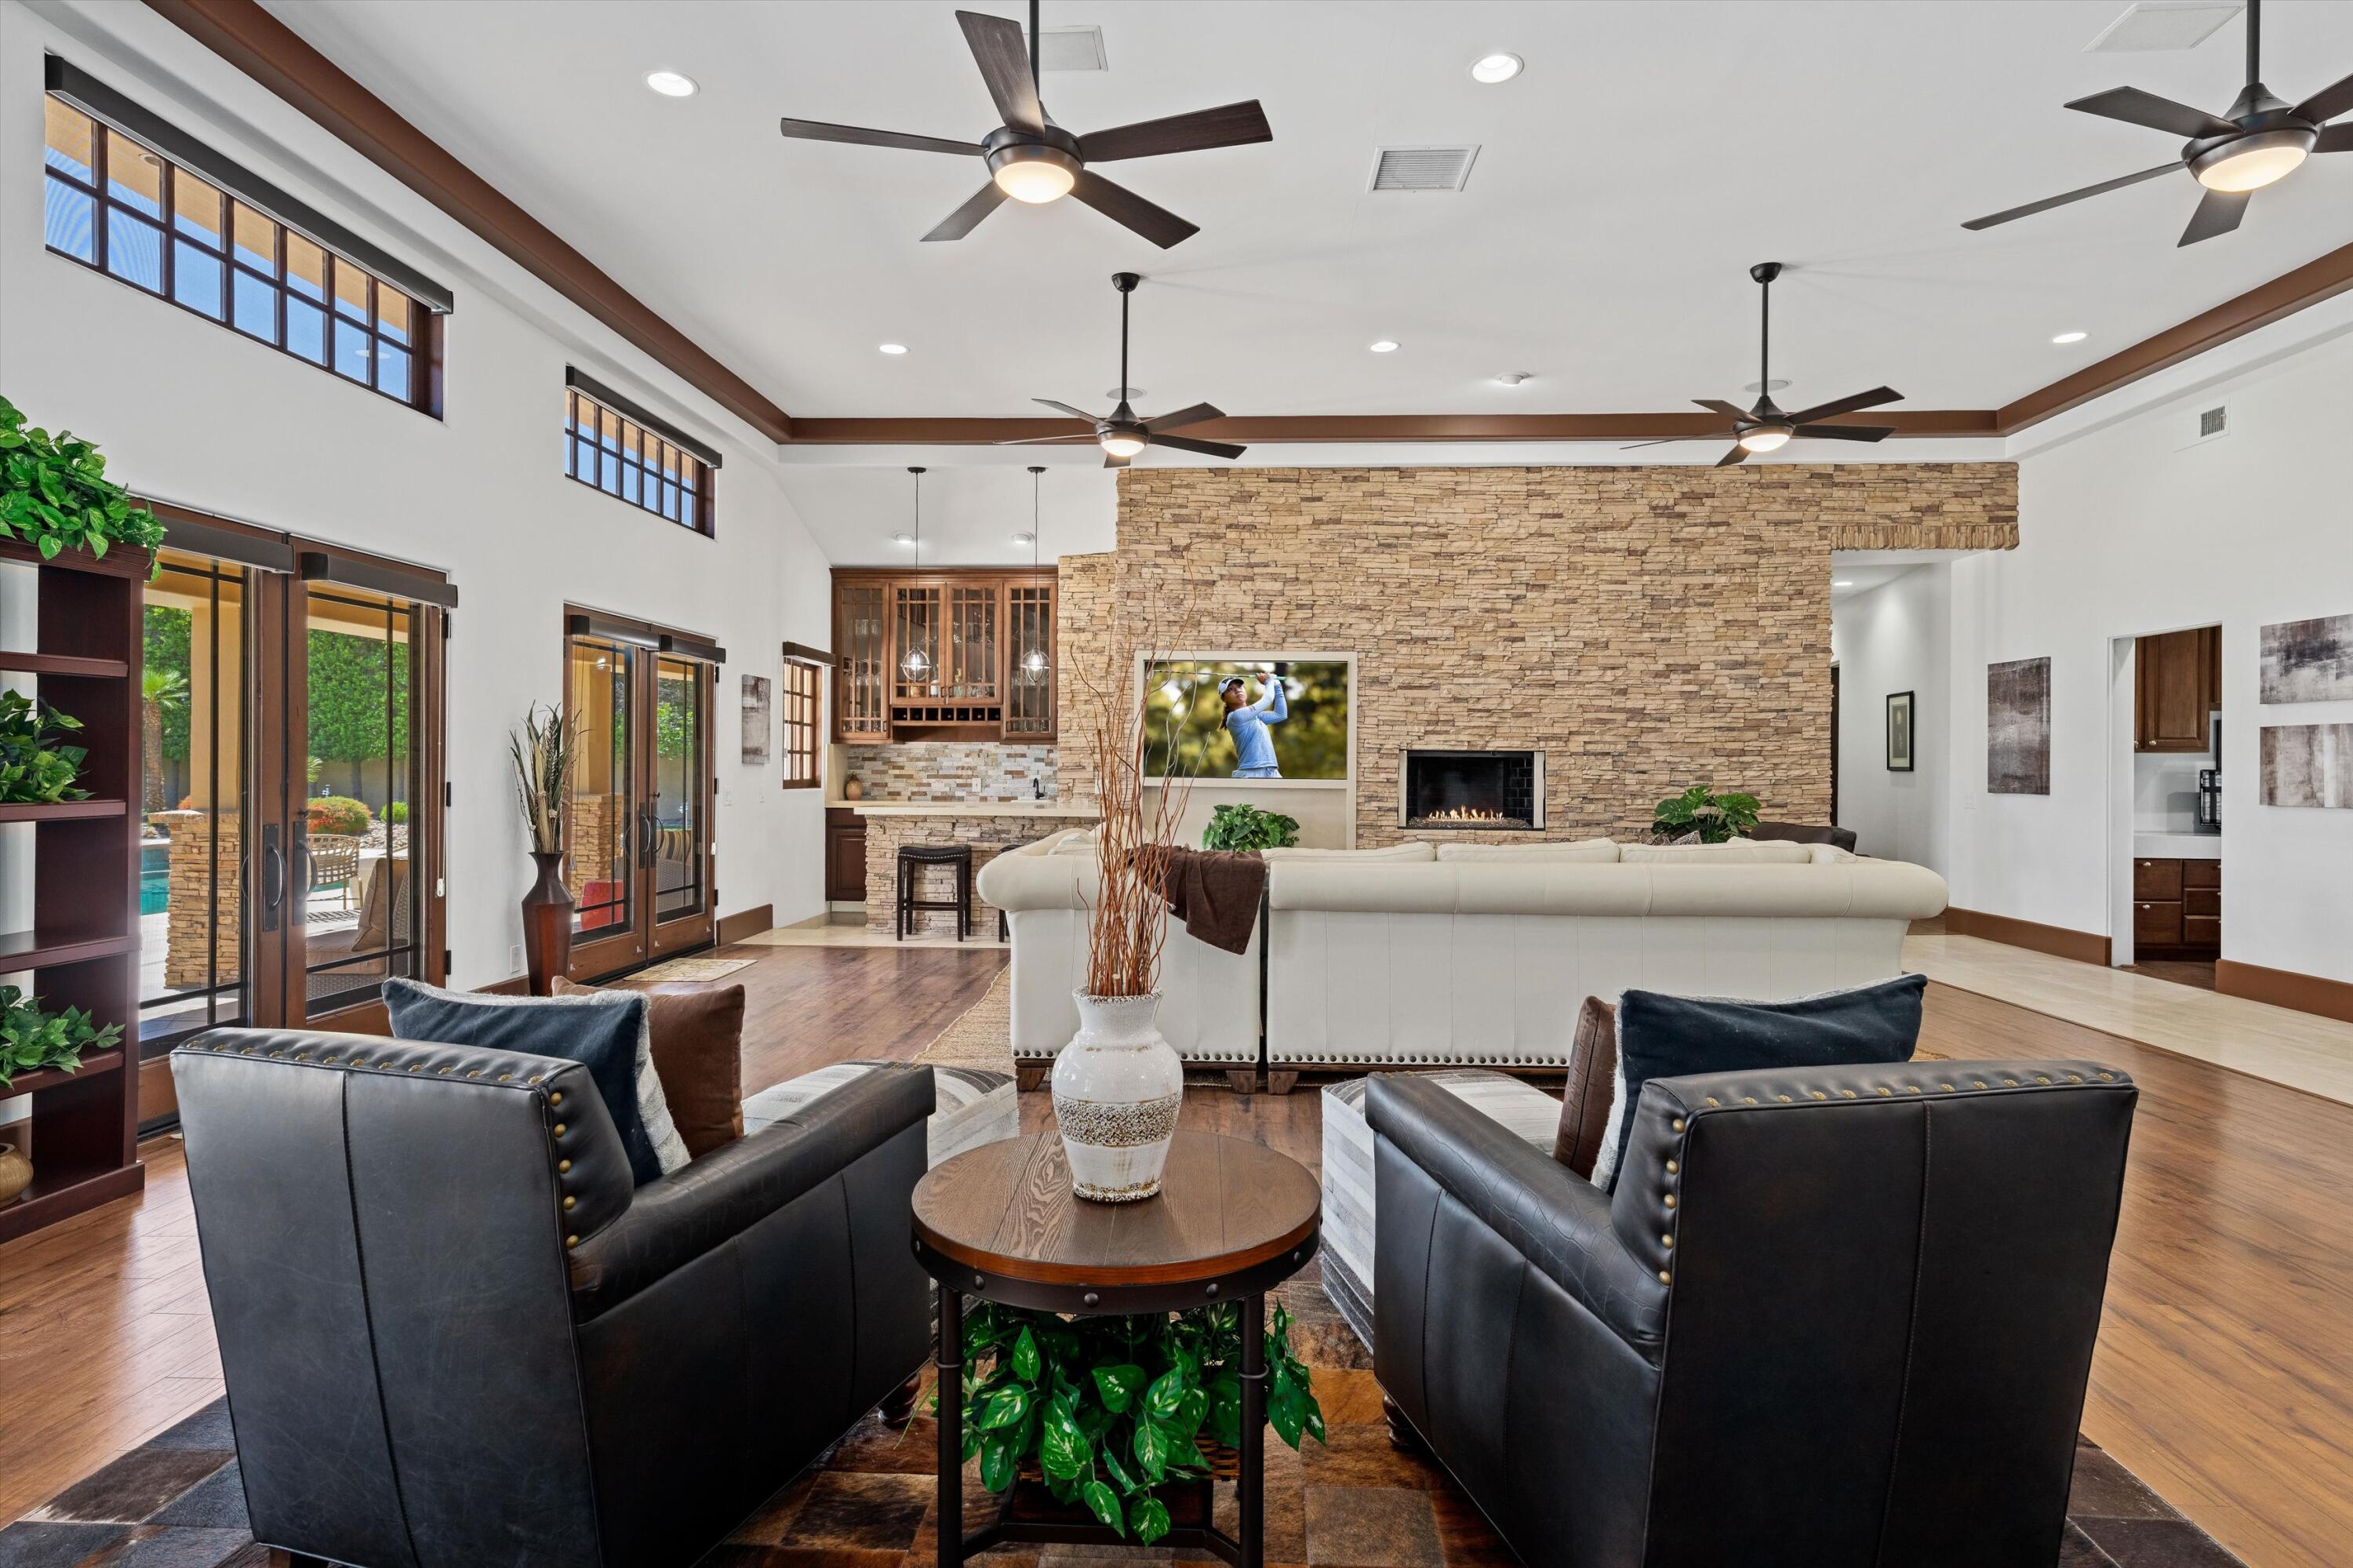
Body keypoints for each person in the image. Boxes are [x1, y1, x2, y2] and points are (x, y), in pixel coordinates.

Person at [1220, 671, 1287, 779]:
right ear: (1224, 699)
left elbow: (1281, 714)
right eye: (1230, 689)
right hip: (1251, 773)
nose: (1237, 690)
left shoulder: (1256, 716)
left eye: (1239, 686)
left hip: (1272, 771)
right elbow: (1268, 699)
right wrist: (1269, 682)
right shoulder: (1235, 716)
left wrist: (1277, 684)